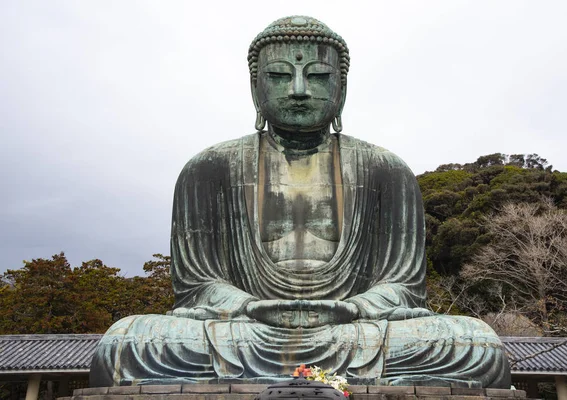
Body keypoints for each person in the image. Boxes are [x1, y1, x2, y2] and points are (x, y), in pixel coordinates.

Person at [90, 16, 511, 388]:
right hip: (246, 329)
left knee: (473, 344)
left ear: (341, 89)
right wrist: (249, 306)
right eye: (278, 75)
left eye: (317, 77)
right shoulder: (209, 169)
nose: (297, 90)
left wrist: (353, 308)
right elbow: (197, 285)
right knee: (126, 343)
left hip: (355, 330)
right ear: (255, 87)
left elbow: (402, 287)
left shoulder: (386, 170)